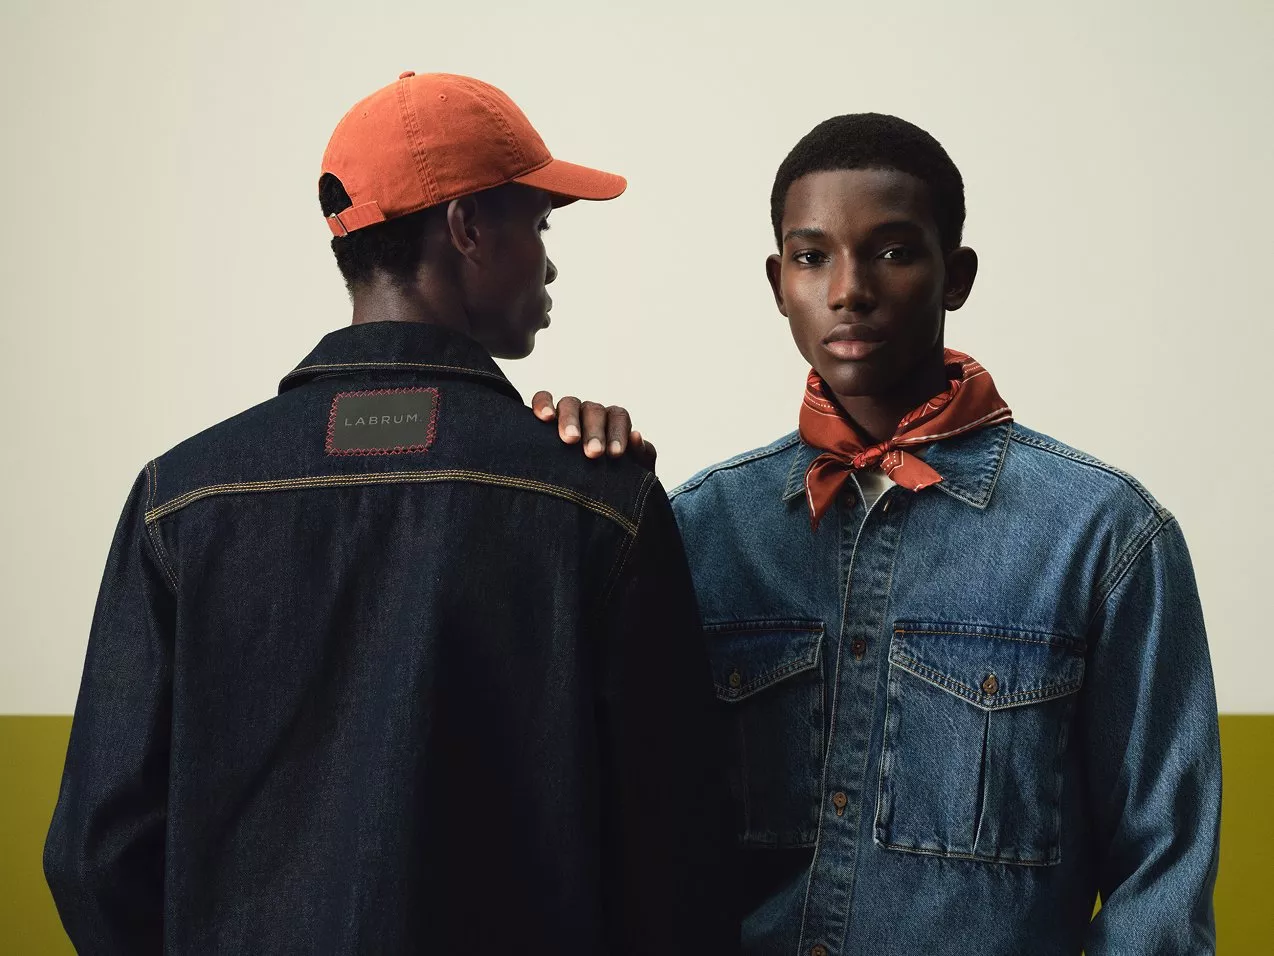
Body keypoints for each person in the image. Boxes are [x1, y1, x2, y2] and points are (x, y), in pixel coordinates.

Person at [45, 71, 738, 955]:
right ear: (467, 228)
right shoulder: (597, 504)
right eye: (540, 222)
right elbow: (674, 869)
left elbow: (95, 859)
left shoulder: (180, 498)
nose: (552, 259)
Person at [538, 113, 1221, 955]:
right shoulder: (697, 530)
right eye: (812, 255)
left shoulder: (1105, 540)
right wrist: (560, 486)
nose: (848, 289)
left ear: (955, 275)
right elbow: (615, 831)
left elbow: (1164, 871)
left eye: (894, 251)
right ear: (776, 280)